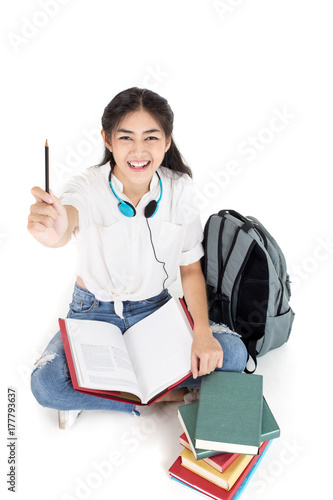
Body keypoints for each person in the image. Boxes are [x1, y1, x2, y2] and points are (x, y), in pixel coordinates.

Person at [28, 87, 247, 429]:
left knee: (233, 354)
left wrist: (202, 332)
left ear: (167, 141)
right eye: (126, 137)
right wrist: (54, 229)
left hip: (155, 310)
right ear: (108, 140)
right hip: (93, 312)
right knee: (46, 384)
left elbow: (190, 269)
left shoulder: (180, 189)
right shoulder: (86, 185)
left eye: (151, 137)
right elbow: (66, 218)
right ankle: (162, 394)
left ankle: (106, 391)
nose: (139, 150)